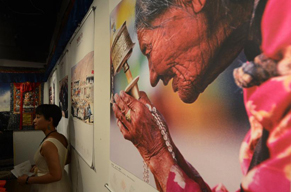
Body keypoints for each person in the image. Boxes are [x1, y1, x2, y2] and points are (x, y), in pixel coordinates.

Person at [112, 0, 290, 191]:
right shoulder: (262, 56)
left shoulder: (286, 39)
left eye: (148, 49)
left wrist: (157, 155)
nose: (153, 77)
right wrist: (159, 148)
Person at [17, 104, 71, 192]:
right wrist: (41, 166)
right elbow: (65, 160)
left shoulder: (48, 144)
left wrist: (27, 180)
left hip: (50, 188)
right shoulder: (61, 137)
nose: (34, 120)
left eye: (38, 117)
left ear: (50, 120)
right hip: (61, 185)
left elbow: (56, 175)